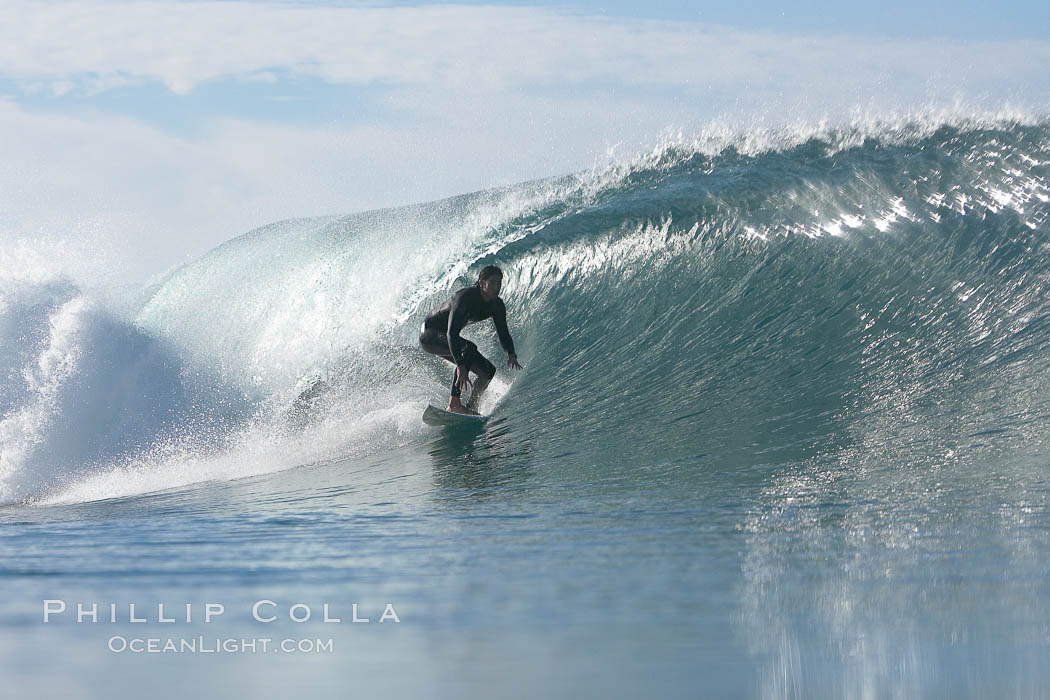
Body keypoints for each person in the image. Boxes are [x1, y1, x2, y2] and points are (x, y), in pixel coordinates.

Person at [419, 265, 523, 415]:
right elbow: (452, 333)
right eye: (492, 283)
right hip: (429, 334)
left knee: (488, 371)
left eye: (499, 283)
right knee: (468, 348)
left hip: (447, 337)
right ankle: (454, 403)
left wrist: (511, 354)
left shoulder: (496, 305)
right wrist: (461, 365)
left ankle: (471, 406)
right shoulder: (465, 298)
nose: (497, 287)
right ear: (481, 282)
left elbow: (503, 332)